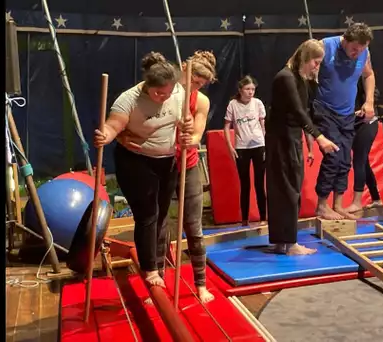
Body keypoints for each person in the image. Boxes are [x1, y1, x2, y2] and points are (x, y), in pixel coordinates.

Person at [118, 51, 218, 302]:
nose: (195, 87)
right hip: (160, 163)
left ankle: (201, 285)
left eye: (201, 85)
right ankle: (158, 282)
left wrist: (191, 139)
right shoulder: (165, 91)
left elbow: (197, 133)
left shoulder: (201, 101)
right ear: (184, 71)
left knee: (193, 226)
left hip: (188, 164)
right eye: (194, 81)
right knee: (159, 222)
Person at [93, 51, 194, 288]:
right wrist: (104, 136)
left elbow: (184, 115)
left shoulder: (178, 90)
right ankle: (150, 269)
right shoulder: (128, 100)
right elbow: (113, 126)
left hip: (166, 159)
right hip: (135, 161)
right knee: (147, 214)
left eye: (167, 93)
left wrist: (186, 123)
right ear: (147, 86)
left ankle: (157, 262)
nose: (163, 97)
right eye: (158, 93)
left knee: (161, 215)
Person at [265, 39, 338, 256]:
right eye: (315, 62)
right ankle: (288, 242)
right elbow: (298, 111)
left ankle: (282, 241)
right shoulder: (286, 77)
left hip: (289, 137)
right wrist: (319, 138)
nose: (317, 67)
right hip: (282, 140)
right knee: (287, 189)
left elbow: (305, 109)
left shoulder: (297, 78)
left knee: (287, 188)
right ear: (305, 58)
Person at [312, 23, 376, 220]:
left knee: (345, 160)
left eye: (362, 49)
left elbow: (369, 74)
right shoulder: (325, 46)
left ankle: (337, 204)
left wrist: (369, 101)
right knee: (333, 156)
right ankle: (321, 205)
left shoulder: (364, 54)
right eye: (354, 48)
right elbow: (300, 66)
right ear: (345, 40)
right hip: (325, 109)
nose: (357, 53)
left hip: (347, 114)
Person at [224, 75, 268, 227]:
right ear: (240, 90)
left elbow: (263, 125)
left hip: (258, 145)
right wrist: (230, 146)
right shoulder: (233, 105)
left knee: (259, 182)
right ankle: (244, 219)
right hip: (241, 147)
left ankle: (263, 217)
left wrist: (266, 144)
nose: (250, 92)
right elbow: (226, 127)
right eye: (247, 89)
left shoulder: (258, 103)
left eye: (253, 89)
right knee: (245, 184)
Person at [343, 78, 383, 216]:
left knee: (359, 159)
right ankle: (376, 198)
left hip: (367, 122)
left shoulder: (361, 76)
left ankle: (357, 202)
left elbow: (375, 93)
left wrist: (367, 103)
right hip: (352, 122)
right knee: (364, 162)